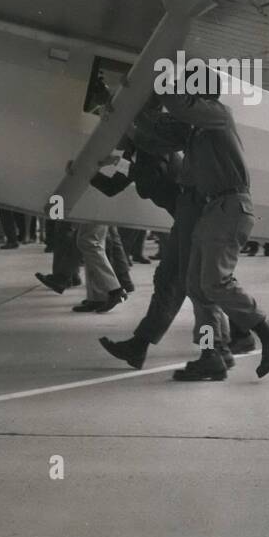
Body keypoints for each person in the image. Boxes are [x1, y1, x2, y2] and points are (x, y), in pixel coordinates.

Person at [98, 109, 255, 370]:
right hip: (185, 219)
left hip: (194, 217)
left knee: (188, 283)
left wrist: (121, 157)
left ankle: (224, 343)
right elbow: (114, 186)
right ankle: (235, 336)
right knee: (181, 281)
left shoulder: (152, 151)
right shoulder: (141, 153)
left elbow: (146, 172)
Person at [159, 88, 269, 381]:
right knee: (196, 286)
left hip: (230, 206)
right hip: (214, 209)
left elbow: (178, 105)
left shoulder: (217, 114)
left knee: (215, 283)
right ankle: (213, 354)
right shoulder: (201, 131)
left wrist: (159, 77)